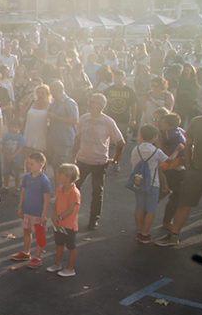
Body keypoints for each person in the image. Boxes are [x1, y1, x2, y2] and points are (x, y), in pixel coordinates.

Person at [155, 91, 202, 252]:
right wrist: (189, 163)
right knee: (184, 203)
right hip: (196, 171)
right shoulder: (197, 121)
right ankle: (173, 235)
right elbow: (189, 143)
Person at [72, 92, 125, 230]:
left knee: (97, 192)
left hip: (99, 162)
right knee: (73, 188)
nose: (89, 104)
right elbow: (77, 139)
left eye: (93, 102)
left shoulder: (108, 122)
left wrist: (115, 159)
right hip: (82, 160)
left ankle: (93, 220)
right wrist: (73, 157)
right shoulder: (83, 118)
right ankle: (69, 217)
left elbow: (120, 142)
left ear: (101, 106)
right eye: (89, 102)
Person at [12, 152, 53, 269]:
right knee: (27, 231)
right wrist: (20, 207)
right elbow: (23, 192)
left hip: (38, 213)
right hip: (27, 211)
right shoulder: (27, 177)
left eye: (32, 164)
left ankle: (38, 256)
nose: (29, 166)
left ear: (41, 165)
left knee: (40, 234)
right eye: (28, 164)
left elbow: (46, 200)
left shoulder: (44, 180)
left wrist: (44, 215)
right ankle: (26, 252)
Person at [130, 124, 168, 244]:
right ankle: (145, 233)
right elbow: (169, 161)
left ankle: (139, 231)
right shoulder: (156, 151)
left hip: (138, 182)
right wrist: (178, 150)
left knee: (139, 207)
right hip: (152, 183)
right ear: (155, 137)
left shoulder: (136, 149)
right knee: (151, 209)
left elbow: (133, 164)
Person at [155, 112, 186, 241]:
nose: (160, 123)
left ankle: (149, 212)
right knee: (170, 194)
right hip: (173, 166)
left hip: (175, 165)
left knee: (171, 194)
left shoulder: (168, 134)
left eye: (163, 122)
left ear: (169, 125)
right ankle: (151, 214)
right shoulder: (175, 132)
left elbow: (163, 146)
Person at [47, 163, 81, 277]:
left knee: (71, 246)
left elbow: (71, 209)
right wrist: (54, 216)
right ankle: (57, 264)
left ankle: (70, 268)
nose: (59, 177)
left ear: (69, 177)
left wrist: (59, 217)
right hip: (59, 223)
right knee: (59, 244)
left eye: (61, 175)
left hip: (69, 225)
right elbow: (56, 203)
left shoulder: (74, 192)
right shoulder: (61, 189)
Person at [46, 80, 79, 180]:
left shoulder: (70, 103)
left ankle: (60, 191)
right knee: (55, 166)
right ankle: (57, 191)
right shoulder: (55, 102)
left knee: (61, 168)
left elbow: (75, 120)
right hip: (53, 138)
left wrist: (56, 117)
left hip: (64, 140)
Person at [1, 119, 25, 193]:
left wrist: (13, 156)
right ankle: (5, 186)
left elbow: (20, 149)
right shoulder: (6, 136)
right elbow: (3, 145)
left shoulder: (20, 137)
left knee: (17, 174)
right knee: (6, 172)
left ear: (19, 128)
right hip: (6, 158)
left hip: (16, 159)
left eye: (15, 127)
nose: (12, 128)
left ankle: (17, 188)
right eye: (11, 127)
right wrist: (6, 155)